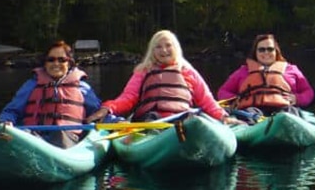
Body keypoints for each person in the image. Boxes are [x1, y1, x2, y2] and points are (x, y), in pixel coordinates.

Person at [90, 30, 233, 124]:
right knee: (152, 120)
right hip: (152, 118)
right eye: (158, 47)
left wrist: (223, 116)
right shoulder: (144, 71)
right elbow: (128, 98)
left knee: (195, 121)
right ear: (152, 51)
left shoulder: (187, 71)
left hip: (181, 117)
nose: (163, 50)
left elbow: (206, 100)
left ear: (175, 48)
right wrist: (108, 108)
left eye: (168, 45)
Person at [0, 40, 106, 148]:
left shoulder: (82, 87)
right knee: (25, 133)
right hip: (34, 137)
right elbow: (12, 110)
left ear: (69, 63)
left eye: (62, 60)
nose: (56, 64)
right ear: (45, 63)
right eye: (51, 60)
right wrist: (5, 121)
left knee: (61, 134)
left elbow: (98, 113)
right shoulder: (31, 85)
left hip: (68, 139)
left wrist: (114, 120)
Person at [216, 33, 314, 121]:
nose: (266, 52)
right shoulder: (242, 72)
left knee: (288, 113)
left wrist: (297, 98)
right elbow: (223, 91)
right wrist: (235, 100)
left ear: (276, 51)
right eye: (261, 50)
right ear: (256, 53)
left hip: (284, 108)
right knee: (249, 114)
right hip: (254, 109)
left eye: (270, 49)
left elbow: (308, 92)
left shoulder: (291, 69)